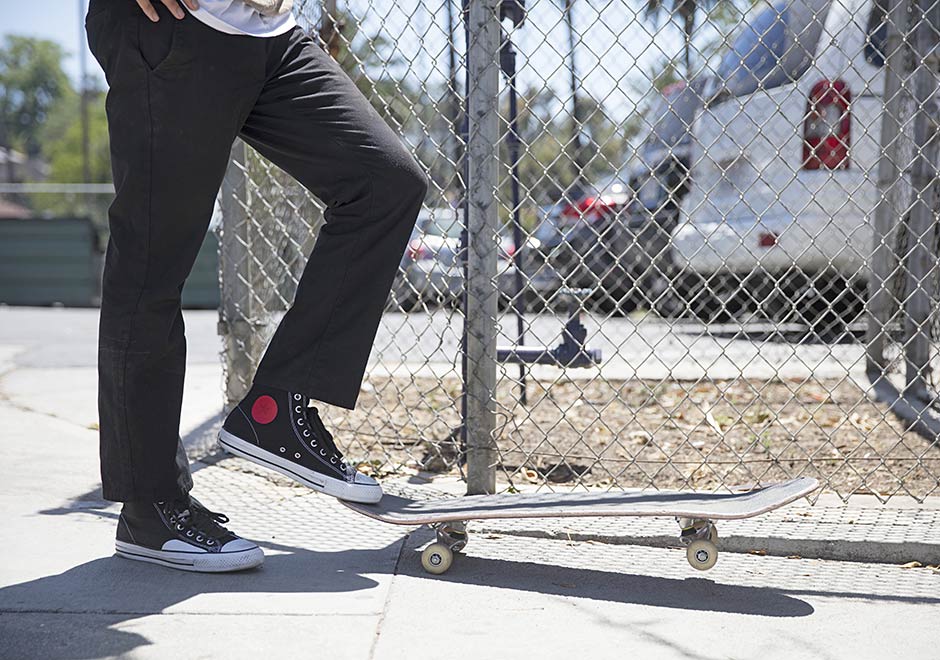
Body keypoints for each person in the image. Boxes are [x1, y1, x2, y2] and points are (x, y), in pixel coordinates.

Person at [87, 0, 428, 572]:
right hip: (172, 30)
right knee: (152, 264)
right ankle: (149, 508)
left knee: (386, 184)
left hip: (275, 36)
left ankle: (274, 410)